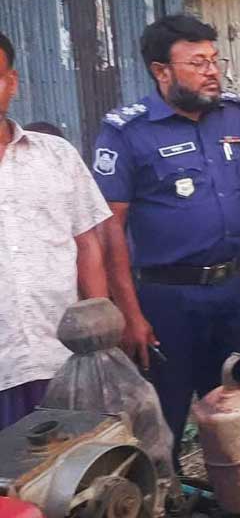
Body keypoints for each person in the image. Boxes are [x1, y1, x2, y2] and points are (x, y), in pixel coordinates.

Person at [92, 14, 240, 465]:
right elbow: (110, 226)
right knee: (164, 419)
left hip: (231, 291)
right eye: (197, 63)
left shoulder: (232, 114)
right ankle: (169, 495)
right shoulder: (127, 133)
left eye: (215, 60)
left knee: (239, 405)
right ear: (161, 71)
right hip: (165, 301)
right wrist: (129, 314)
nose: (212, 71)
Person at [0, 31, 152, 429]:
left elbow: (88, 243)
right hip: (3, 366)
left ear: (12, 82)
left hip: (64, 358)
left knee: (80, 461)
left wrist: (98, 334)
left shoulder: (56, 156)